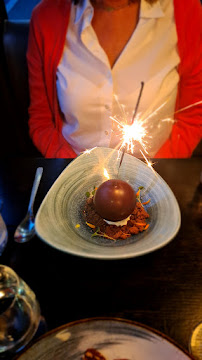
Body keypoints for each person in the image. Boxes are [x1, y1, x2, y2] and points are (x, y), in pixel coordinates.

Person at [27, 0, 202, 158]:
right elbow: (42, 119)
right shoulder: (45, 18)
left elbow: (193, 114)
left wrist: (153, 175)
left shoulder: (185, 11)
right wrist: (75, 173)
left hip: (157, 176)